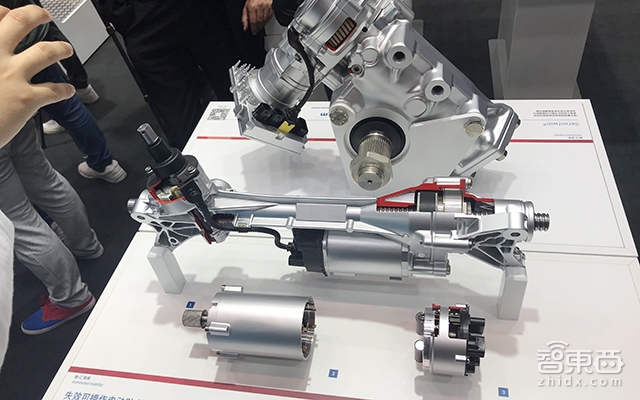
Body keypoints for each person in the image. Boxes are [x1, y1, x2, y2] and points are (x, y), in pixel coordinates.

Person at [0, 4, 78, 366]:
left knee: (17, 216)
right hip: (10, 92)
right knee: (42, 175)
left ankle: (71, 296)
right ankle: (85, 245)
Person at [95, 0, 273, 149]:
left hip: (215, 10)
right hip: (145, 19)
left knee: (256, 105)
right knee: (186, 133)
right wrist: (121, 14)